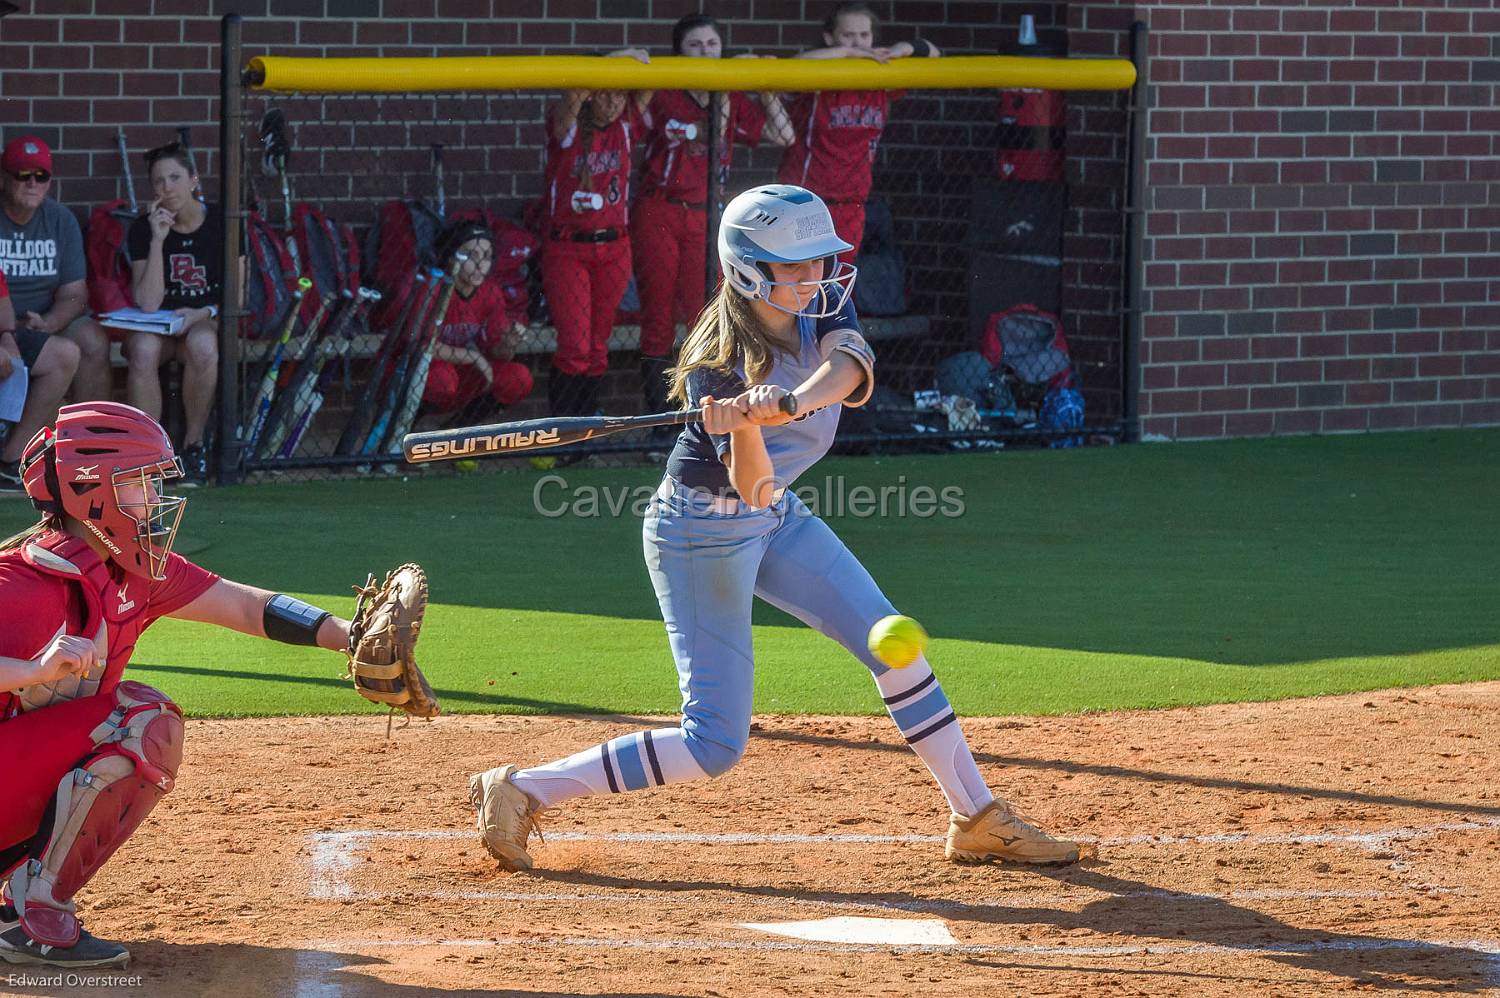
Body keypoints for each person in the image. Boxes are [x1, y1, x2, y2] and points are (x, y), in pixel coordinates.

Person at [469, 185, 1079, 872]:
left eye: (819, 261)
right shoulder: (714, 368)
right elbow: (751, 485)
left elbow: (851, 369)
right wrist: (746, 424)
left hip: (777, 516)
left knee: (895, 645)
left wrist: (788, 401)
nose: (816, 276)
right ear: (748, 272)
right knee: (713, 745)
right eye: (796, 267)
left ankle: (977, 817)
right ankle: (519, 790)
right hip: (700, 534)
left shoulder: (822, 307)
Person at [0, 401, 362, 968]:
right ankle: (29, 915)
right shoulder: (23, 585)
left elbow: (246, 606)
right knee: (137, 721)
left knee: (134, 713)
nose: (155, 497)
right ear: (92, 492)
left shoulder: (135, 572)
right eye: (140, 481)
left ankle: (21, 902)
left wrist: (349, 634)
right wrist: (32, 671)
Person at [631, 14, 793, 415]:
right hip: (660, 210)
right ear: (678, 54)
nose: (706, 52)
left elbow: (784, 136)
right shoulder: (664, 91)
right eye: (695, 46)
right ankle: (656, 418)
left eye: (712, 45)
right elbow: (632, 129)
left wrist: (765, 86)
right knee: (658, 316)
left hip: (706, 215)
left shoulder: (731, 94)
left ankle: (700, 408)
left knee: (705, 312)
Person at [778, 1, 941, 264]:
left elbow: (934, 53)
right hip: (805, 199)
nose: (858, 43)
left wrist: (903, 49)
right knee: (801, 279)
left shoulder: (880, 74)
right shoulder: (821, 72)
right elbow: (794, 65)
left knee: (840, 281)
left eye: (864, 35)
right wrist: (847, 54)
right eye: (848, 35)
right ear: (830, 37)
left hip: (852, 199)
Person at [540, 49, 652, 418]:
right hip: (569, 249)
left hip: (615, 247)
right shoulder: (568, 126)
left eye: (619, 93)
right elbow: (572, 95)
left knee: (598, 345)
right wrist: (616, 56)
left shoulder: (625, 126)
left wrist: (627, 64)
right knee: (575, 345)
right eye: (604, 92)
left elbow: (649, 75)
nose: (613, 101)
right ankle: (561, 433)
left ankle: (587, 429)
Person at [120, 142, 224, 486]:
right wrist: (157, 240)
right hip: (161, 325)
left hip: (205, 319)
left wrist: (203, 312)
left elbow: (237, 294)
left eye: (175, 178)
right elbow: (148, 304)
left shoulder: (222, 222)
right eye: (159, 182)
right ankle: (150, 453)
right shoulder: (143, 228)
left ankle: (193, 447)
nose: (167, 188)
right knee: (142, 349)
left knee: (204, 347)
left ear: (194, 179)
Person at [0, 137, 90, 492]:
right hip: (4, 325)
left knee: (69, 352)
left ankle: (11, 461)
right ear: (4, 177)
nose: (32, 183)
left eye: (41, 176)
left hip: (28, 325)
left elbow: (75, 294)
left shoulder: (60, 220)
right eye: (23, 174)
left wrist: (48, 323)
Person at [422, 220, 534, 427]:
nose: (479, 264)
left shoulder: (490, 291)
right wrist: (473, 356)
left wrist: (508, 344)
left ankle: (456, 431)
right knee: (442, 380)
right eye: (470, 255)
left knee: (518, 377)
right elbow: (423, 346)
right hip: (430, 370)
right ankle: (404, 428)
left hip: (467, 374)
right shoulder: (435, 287)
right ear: (451, 256)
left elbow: (498, 354)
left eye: (486, 256)